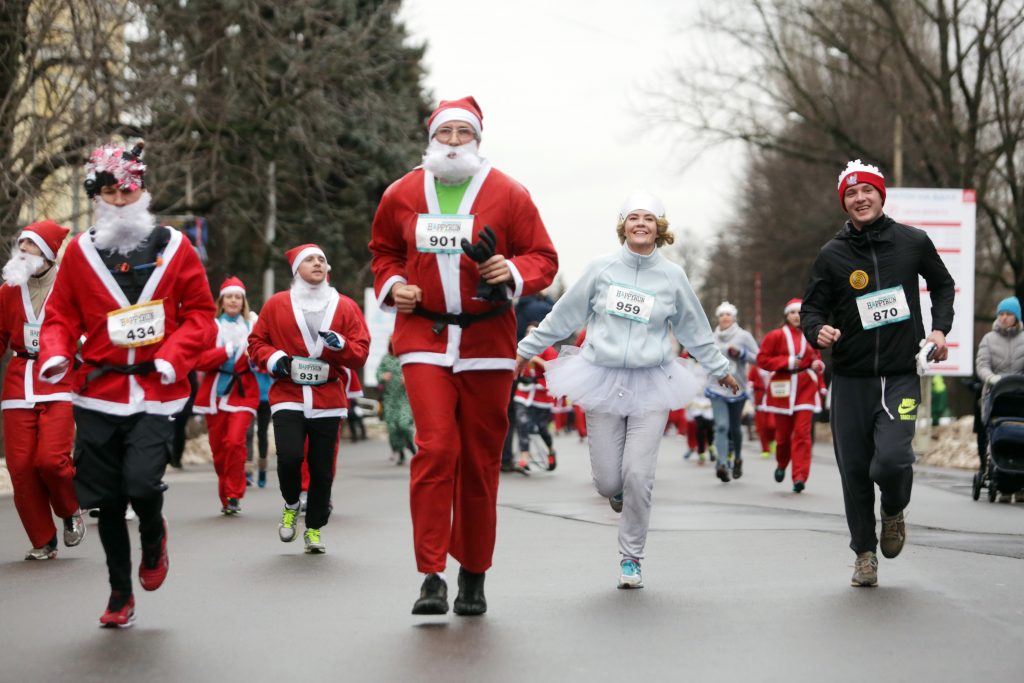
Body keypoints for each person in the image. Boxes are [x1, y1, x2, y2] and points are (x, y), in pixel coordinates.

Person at [369, 96, 558, 615]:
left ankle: (472, 573)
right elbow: (383, 251)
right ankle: (431, 574)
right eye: (446, 132)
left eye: (463, 133)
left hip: (487, 343)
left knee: (478, 462)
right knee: (436, 448)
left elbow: (543, 256)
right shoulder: (402, 193)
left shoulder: (509, 193)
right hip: (424, 338)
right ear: (431, 139)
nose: (454, 142)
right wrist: (395, 285)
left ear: (478, 139)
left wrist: (511, 272)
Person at [517, 192, 738, 589]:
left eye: (649, 219)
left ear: (660, 228)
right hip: (600, 377)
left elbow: (694, 328)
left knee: (639, 474)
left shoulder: (673, 276)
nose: (641, 223)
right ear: (623, 226)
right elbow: (564, 314)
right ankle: (618, 496)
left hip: (652, 382)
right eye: (633, 217)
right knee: (608, 482)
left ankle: (631, 557)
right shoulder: (601, 269)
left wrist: (719, 368)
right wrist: (525, 350)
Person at [39, 140, 218, 627]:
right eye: (111, 192)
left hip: (156, 392)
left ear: (142, 190)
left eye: (129, 189)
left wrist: (173, 358)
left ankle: (155, 536)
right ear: (97, 196)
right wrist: (56, 356)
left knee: (140, 483)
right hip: (97, 393)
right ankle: (120, 593)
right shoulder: (79, 253)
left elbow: (201, 316)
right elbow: (58, 317)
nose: (121, 199)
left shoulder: (175, 247)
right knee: (108, 501)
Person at [801, 159, 955, 587]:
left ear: (880, 195)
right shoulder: (832, 254)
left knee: (890, 458)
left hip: (900, 373)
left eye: (866, 191)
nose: (860, 198)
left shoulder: (912, 242)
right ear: (844, 204)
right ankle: (864, 554)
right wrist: (818, 330)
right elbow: (812, 307)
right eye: (851, 194)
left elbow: (942, 285)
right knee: (854, 471)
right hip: (850, 379)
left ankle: (893, 509)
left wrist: (940, 329)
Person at [248, 244, 370, 554]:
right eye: (310, 260)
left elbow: (360, 352)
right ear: (296, 270)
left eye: (322, 260)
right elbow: (256, 342)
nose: (317, 264)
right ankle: (291, 503)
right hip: (288, 394)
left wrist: (341, 345)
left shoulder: (345, 306)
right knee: (289, 456)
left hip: (328, 397)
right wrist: (274, 357)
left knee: (322, 469)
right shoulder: (276, 304)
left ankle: (314, 528)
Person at [0, 220, 86, 560]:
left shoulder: (70, 286)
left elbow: (89, 328)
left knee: (51, 461)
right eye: (20, 244)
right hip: (18, 382)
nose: (22, 251)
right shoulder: (8, 290)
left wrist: (80, 346)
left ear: (49, 253)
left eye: (30, 246)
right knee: (20, 468)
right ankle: (42, 538)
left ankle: (68, 510)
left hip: (58, 380)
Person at [193, 277, 259, 515]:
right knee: (219, 450)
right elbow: (199, 360)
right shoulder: (211, 327)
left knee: (234, 441)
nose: (234, 301)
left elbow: (262, 356)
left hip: (243, 393)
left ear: (243, 301)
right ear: (222, 301)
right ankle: (226, 496)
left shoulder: (253, 326)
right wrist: (226, 352)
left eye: (238, 297)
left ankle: (234, 493)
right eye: (230, 297)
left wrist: (256, 362)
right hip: (215, 394)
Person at [756, 298, 823, 493]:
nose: (796, 316)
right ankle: (782, 463)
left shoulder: (811, 335)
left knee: (802, 434)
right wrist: (787, 361)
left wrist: (817, 366)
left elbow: (816, 359)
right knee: (783, 437)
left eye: (799, 313)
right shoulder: (775, 336)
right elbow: (762, 360)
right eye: (792, 312)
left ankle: (800, 477)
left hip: (805, 388)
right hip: (782, 389)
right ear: (787, 315)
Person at [975, 296, 1024, 497]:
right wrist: (991, 378)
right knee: (991, 429)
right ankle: (994, 469)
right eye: (1001, 314)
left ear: (1017, 317)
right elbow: (982, 365)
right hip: (996, 393)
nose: (1004, 318)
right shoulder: (989, 339)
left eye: (1009, 314)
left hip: (1021, 394)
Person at [705, 302, 759, 482]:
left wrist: (742, 354)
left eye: (728, 314)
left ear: (734, 317)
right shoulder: (711, 337)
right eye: (721, 315)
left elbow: (759, 358)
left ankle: (737, 458)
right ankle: (721, 463)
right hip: (716, 388)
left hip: (738, 388)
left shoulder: (743, 336)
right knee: (721, 426)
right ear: (718, 318)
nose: (725, 318)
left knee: (735, 428)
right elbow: (702, 356)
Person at [513, 321, 557, 473]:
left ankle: (551, 450)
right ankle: (524, 457)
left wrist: (537, 360)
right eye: (527, 332)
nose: (529, 335)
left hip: (541, 397)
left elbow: (554, 369)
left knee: (543, 429)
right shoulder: (520, 349)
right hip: (523, 393)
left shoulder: (548, 350)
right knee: (522, 422)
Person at [376, 340, 416, 465]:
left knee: (404, 424)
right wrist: (383, 376)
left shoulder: (406, 357)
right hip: (389, 400)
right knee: (393, 428)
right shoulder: (386, 359)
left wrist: (408, 378)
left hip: (404, 399)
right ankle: (401, 453)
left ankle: (410, 443)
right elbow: (378, 374)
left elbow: (416, 374)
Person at [748, 363, 776, 460]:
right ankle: (765, 449)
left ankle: (772, 440)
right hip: (759, 402)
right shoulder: (755, 368)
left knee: (772, 425)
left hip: (772, 401)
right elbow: (750, 382)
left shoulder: (774, 366)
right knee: (762, 427)